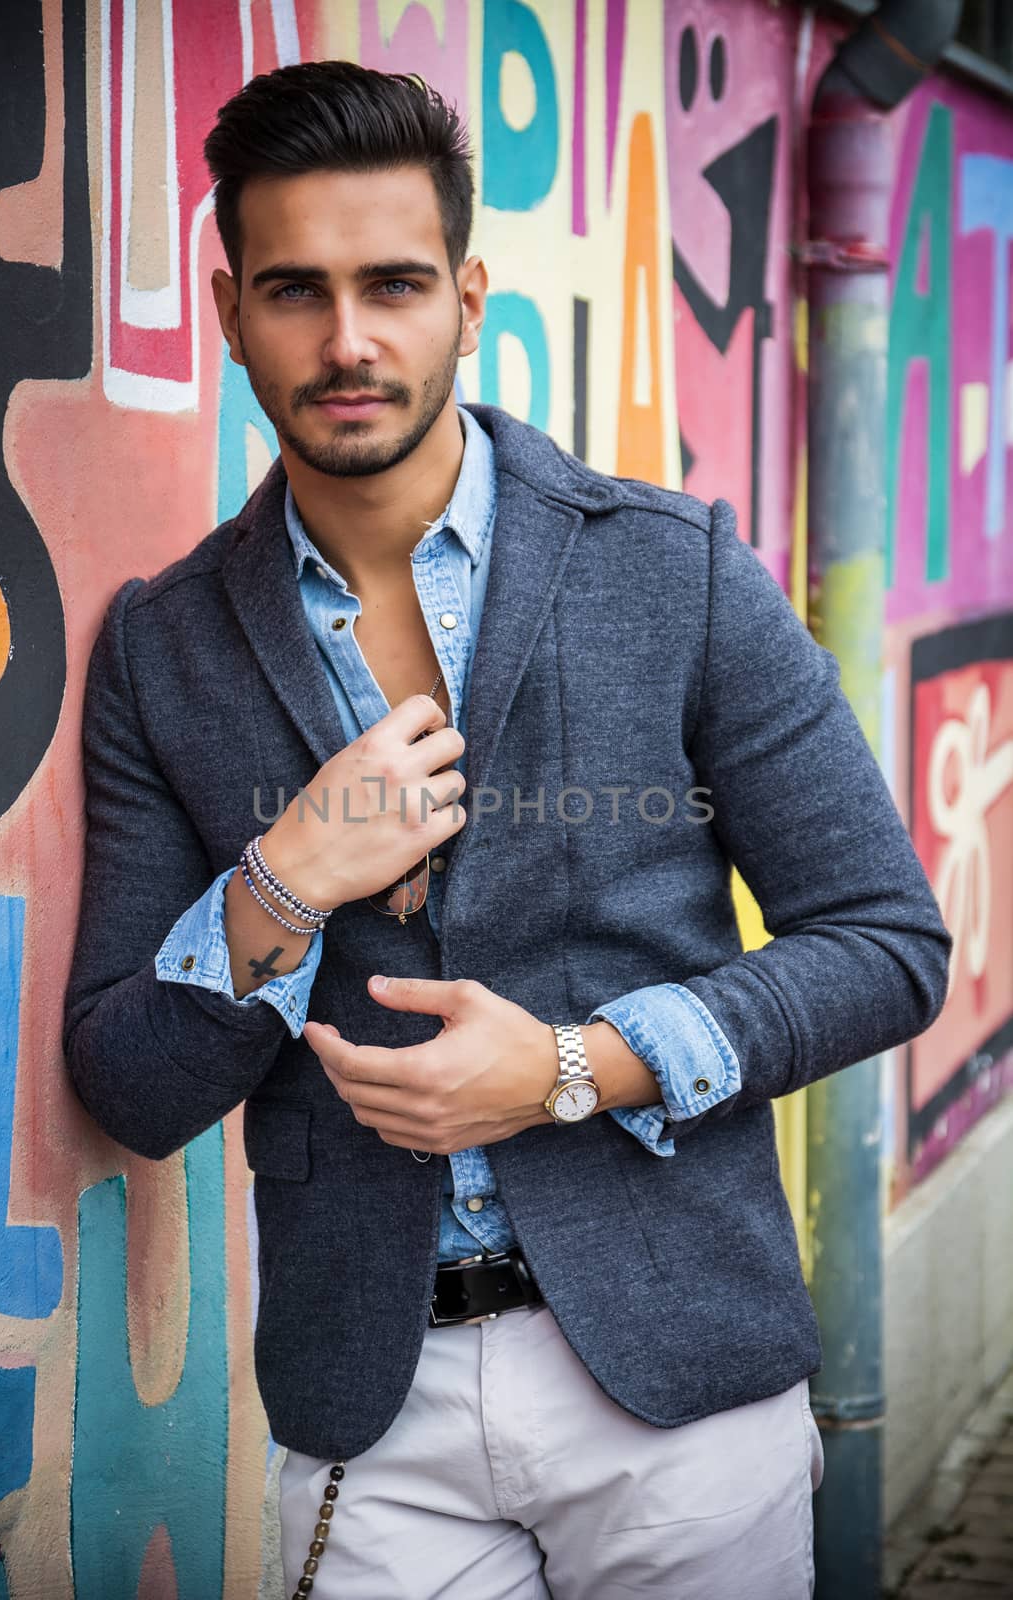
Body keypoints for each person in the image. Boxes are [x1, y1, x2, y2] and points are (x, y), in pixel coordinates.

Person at [63, 60, 951, 1600]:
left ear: (467, 296)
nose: (348, 341)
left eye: (394, 284)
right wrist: (284, 883)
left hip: (679, 1379)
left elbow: (887, 947)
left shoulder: (672, 570)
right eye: (295, 291)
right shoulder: (163, 646)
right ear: (225, 311)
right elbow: (130, 1081)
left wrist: (566, 1070)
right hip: (369, 1411)